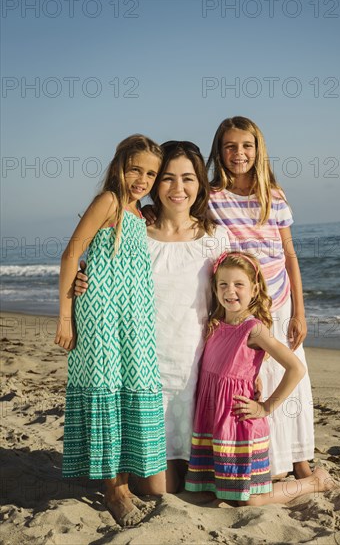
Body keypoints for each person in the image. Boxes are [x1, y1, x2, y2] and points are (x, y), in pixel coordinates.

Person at [74, 141, 230, 493]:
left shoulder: (215, 238)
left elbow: (234, 306)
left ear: (200, 185)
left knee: (203, 484)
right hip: (141, 366)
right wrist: (86, 275)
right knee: (156, 489)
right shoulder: (133, 228)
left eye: (188, 178)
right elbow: (96, 258)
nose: (178, 189)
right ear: (154, 184)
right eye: (168, 178)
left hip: (194, 370)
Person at [55, 134, 167, 527]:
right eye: (136, 168)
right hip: (101, 313)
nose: (142, 178)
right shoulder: (108, 201)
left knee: (128, 391)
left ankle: (123, 478)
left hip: (134, 318)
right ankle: (113, 489)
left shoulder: (139, 211)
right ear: (120, 165)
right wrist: (66, 317)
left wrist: (149, 207)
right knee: (104, 390)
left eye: (151, 173)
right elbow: (72, 254)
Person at [207, 116, 315, 479]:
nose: (239, 153)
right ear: (219, 152)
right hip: (242, 305)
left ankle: (300, 458)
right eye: (231, 146)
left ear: (258, 149)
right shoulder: (211, 198)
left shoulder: (273, 194)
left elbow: (290, 256)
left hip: (280, 299)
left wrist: (299, 311)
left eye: (247, 146)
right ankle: (272, 458)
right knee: (257, 378)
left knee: (291, 376)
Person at [185, 252, 333, 505]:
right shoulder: (214, 323)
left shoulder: (253, 329)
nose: (230, 291)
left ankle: (312, 482)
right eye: (223, 285)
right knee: (210, 490)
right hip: (212, 420)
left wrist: (266, 407)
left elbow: (296, 368)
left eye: (238, 284)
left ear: (254, 289)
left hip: (240, 424)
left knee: (251, 501)